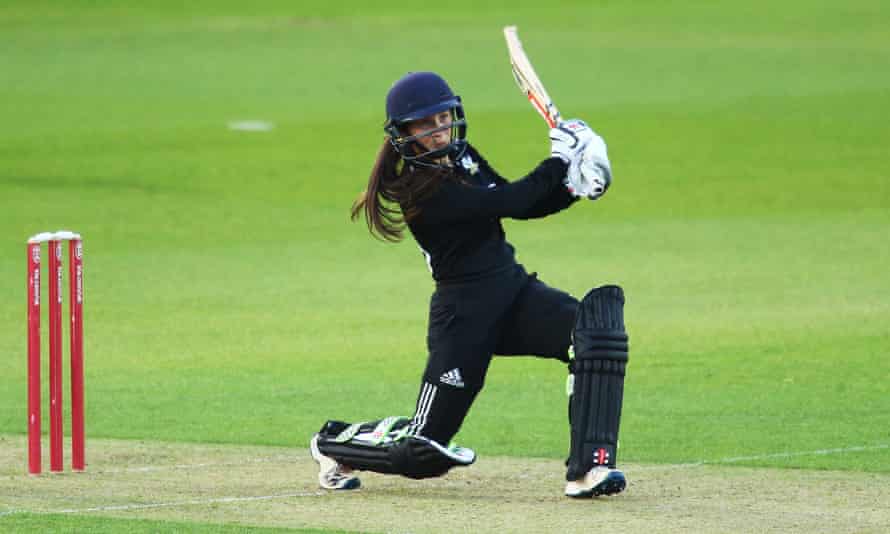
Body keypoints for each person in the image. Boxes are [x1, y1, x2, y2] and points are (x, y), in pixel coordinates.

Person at [309, 71, 630, 498]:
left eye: (444, 118)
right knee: (423, 453)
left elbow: (526, 205)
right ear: (404, 133)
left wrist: (575, 185)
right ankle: (335, 442)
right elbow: (508, 201)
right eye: (427, 124)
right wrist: (558, 160)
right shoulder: (418, 190)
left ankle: (590, 469)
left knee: (595, 332)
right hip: (464, 319)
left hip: (515, 295)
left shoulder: (462, 158)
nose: (440, 130)